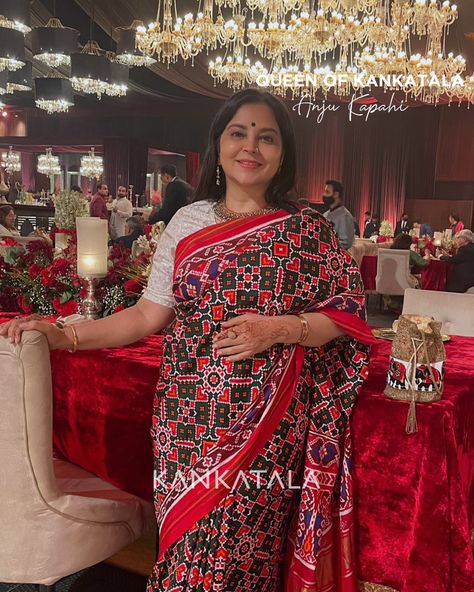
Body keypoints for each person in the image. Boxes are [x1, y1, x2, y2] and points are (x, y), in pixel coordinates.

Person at [0, 89, 375, 592]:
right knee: (184, 548)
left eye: (267, 138)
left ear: (283, 153)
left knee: (246, 555)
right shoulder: (188, 221)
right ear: (218, 145)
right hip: (186, 418)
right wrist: (63, 333)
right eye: (238, 133)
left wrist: (282, 328)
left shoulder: (309, 231)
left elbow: (344, 312)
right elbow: (144, 316)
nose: (251, 147)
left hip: (268, 426)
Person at [322, 180, 355, 249]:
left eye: (327, 192)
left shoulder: (345, 216)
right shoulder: (325, 214)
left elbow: (345, 244)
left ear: (336, 194)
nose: (324, 195)